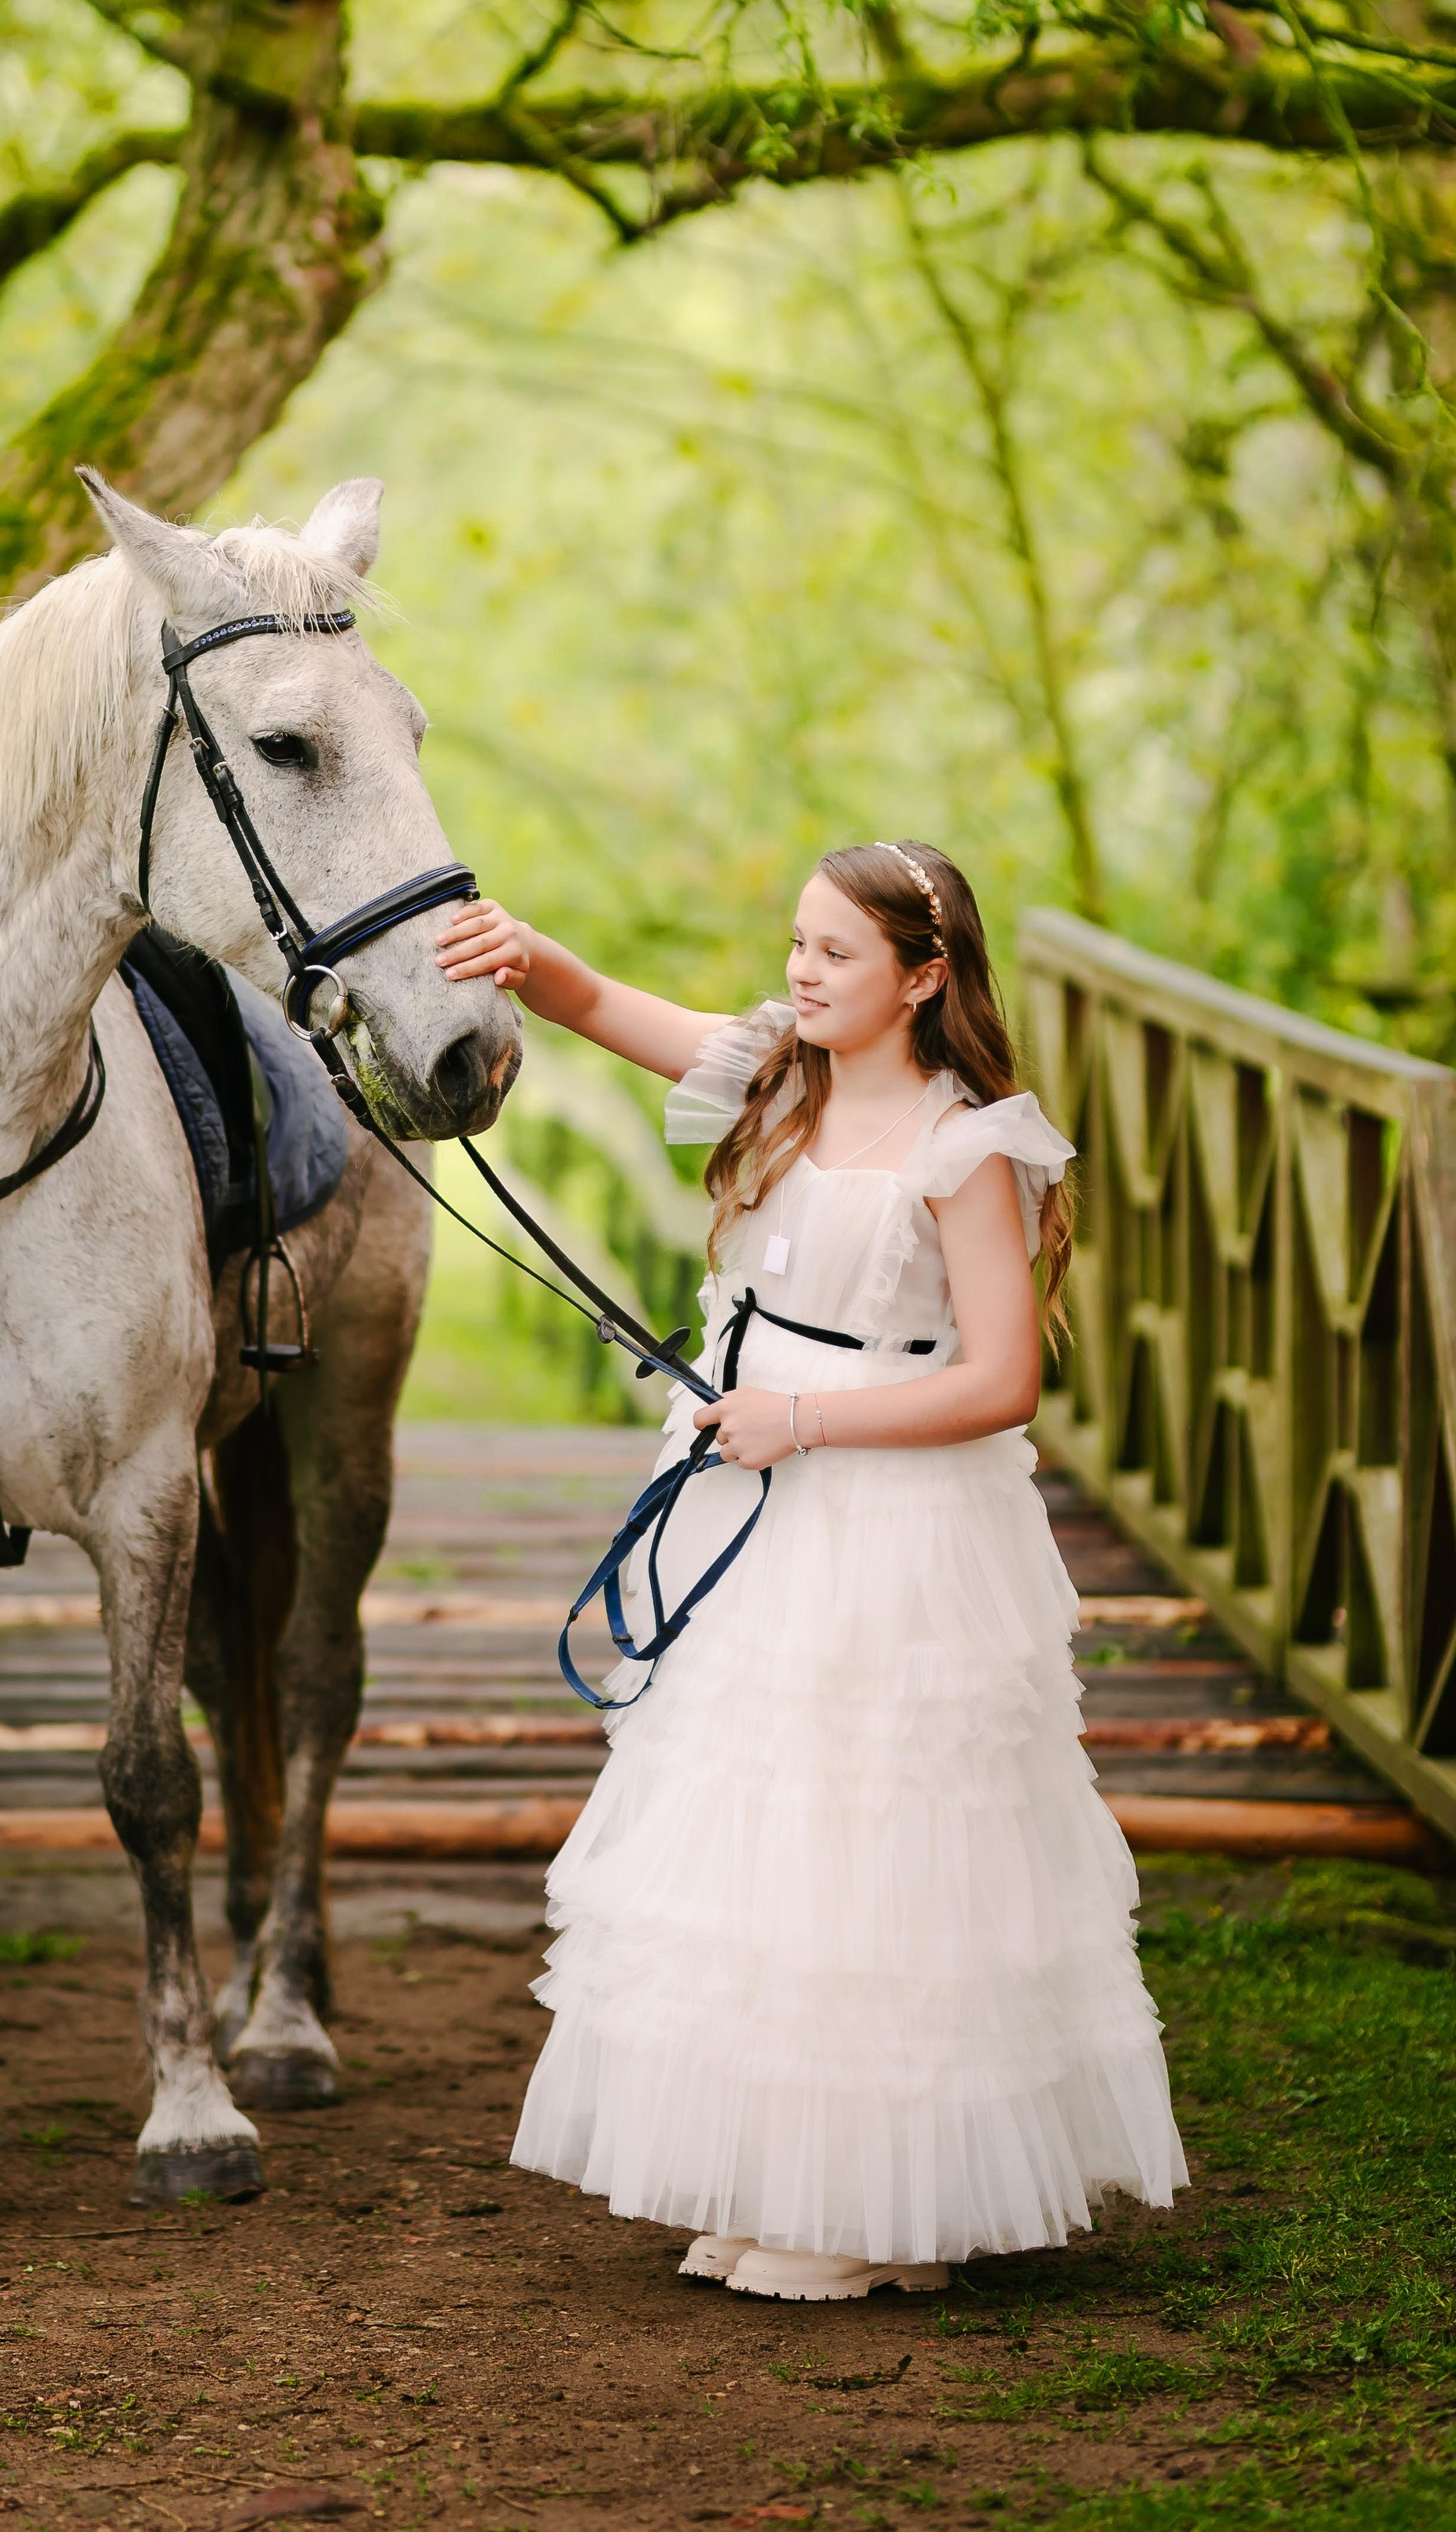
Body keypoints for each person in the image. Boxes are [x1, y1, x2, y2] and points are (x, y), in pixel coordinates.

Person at [434, 842, 1186, 2302]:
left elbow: (1004, 1381)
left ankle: (869, 2200)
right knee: (752, 1830)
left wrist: (805, 1421)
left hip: (884, 1514)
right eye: (797, 944)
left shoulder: (971, 1147)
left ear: (925, 975)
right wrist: (513, 950)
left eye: (837, 954)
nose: (801, 973)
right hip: (743, 1488)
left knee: (872, 1840)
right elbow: (600, 1002)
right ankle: (776, 2169)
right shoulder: (782, 1075)